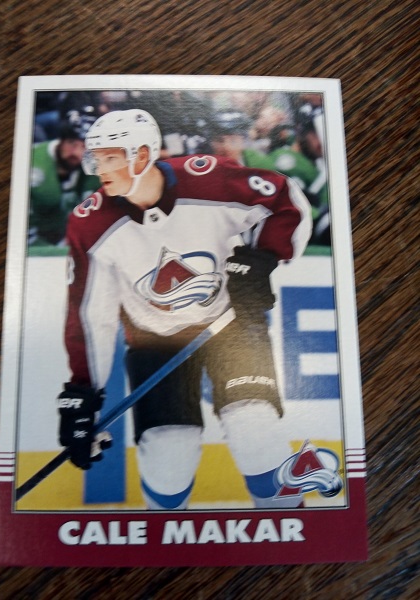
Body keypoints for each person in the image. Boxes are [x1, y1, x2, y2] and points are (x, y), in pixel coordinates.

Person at [57, 109, 312, 510]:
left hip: (230, 322)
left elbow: (285, 199)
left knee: (255, 429)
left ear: (142, 156)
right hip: (155, 337)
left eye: (109, 158)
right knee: (168, 453)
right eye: (96, 159)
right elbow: (91, 315)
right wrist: (82, 392)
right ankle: (165, 534)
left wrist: (262, 257)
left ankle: (291, 526)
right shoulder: (90, 223)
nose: (99, 170)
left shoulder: (210, 179)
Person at [29, 108, 100, 247]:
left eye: (85, 147)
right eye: (72, 143)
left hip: (68, 238)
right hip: (34, 242)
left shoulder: (94, 170)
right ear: (61, 139)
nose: (76, 152)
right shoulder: (31, 160)